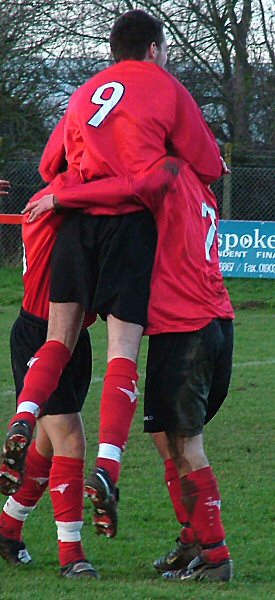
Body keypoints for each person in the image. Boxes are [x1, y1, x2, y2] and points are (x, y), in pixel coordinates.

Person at [0, 8, 228, 551]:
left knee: (61, 348)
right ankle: (109, 470)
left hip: (77, 225)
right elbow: (208, 165)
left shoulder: (84, 93)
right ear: (154, 50)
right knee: (122, 350)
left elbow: (51, 160)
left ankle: (21, 418)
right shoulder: (167, 92)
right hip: (128, 225)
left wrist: (73, 180)